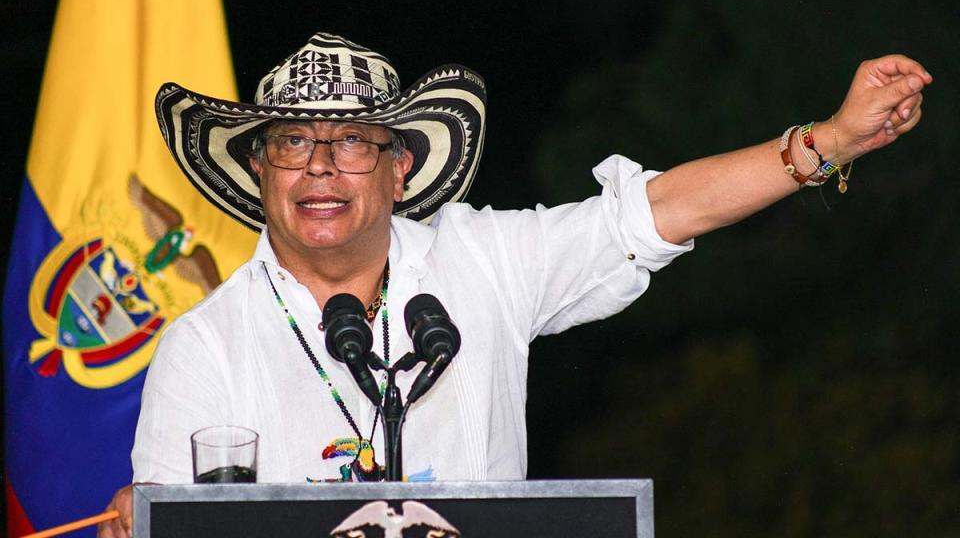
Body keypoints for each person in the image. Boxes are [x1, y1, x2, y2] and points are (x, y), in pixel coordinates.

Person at [97, 31, 931, 536]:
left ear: (400, 169)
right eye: (292, 143)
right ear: (258, 168)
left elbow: (656, 213)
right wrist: (148, 521)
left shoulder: (482, 262)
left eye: (353, 141)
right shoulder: (203, 345)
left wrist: (829, 140)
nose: (320, 167)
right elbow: (170, 526)